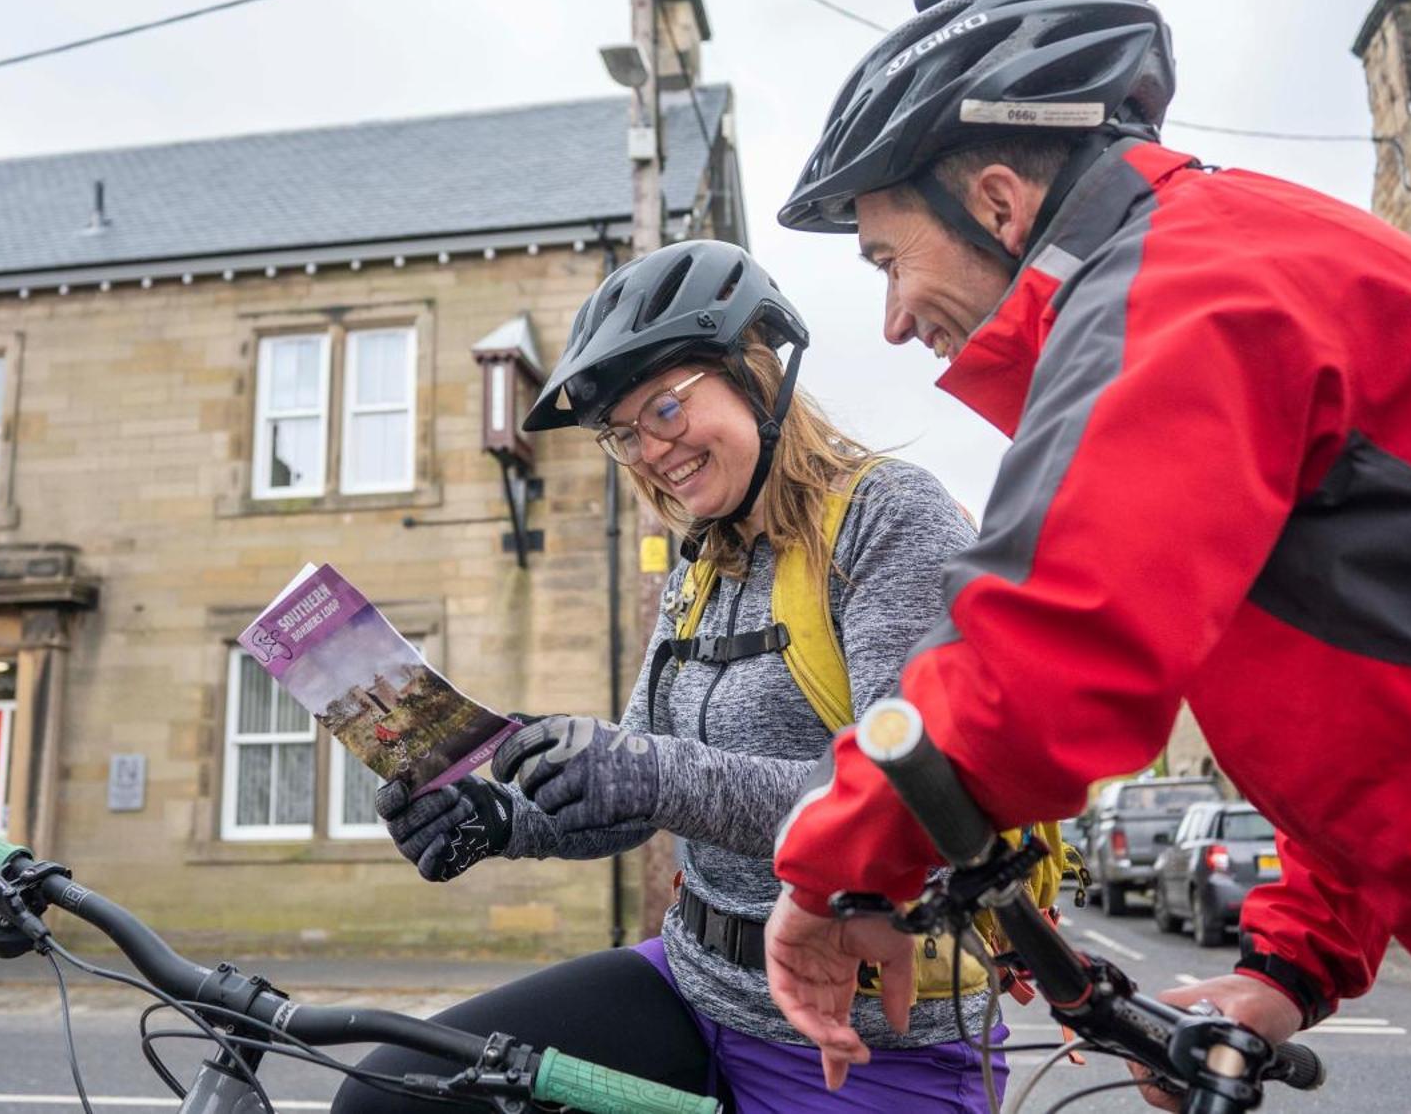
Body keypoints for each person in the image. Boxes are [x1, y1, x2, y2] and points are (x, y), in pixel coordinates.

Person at [758, 0, 1411, 1104]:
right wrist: (1287, 966)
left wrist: (824, 868)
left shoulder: (1178, 283)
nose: (893, 319)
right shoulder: (1226, 250)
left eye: (884, 261)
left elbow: (1047, 644)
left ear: (1000, 204)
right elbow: (1377, 704)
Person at [331, 239, 997, 1114]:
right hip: (693, 980)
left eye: (668, 408)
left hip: (867, 1035)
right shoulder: (703, 567)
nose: (649, 450)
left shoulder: (888, 520)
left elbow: (911, 804)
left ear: (755, 375)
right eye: (622, 433)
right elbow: (638, 795)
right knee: (390, 1093)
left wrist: (640, 765)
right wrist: (504, 818)